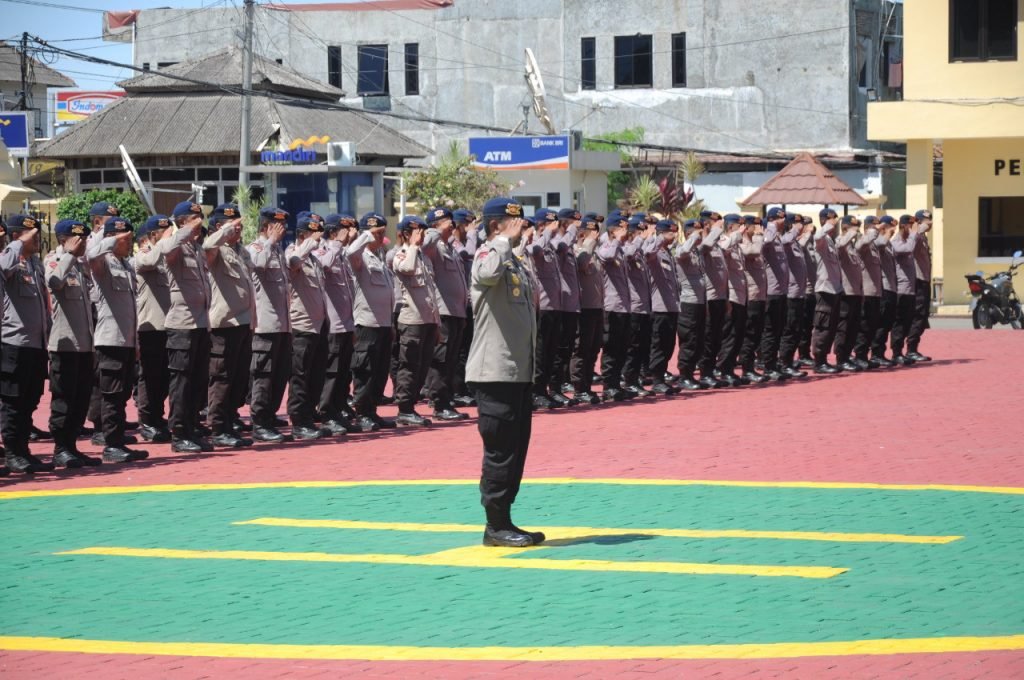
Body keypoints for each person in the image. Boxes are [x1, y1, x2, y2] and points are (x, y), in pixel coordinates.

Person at [466, 197, 543, 548]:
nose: (519, 228)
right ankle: (494, 525)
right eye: (512, 222)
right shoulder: (487, 255)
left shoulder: (516, 262)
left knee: (516, 448)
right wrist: (500, 241)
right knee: (500, 449)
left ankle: (505, 519)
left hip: (518, 371)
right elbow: (485, 273)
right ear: (496, 225)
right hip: (494, 372)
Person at [86, 216, 149, 463]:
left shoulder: (125, 265)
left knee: (121, 395)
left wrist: (135, 343)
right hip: (109, 340)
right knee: (111, 396)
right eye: (125, 240)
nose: (128, 244)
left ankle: (118, 440)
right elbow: (91, 256)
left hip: (125, 341)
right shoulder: (104, 264)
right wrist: (110, 239)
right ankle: (110, 444)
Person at [45, 219, 101, 469]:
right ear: (63, 240)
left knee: (80, 399)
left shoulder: (79, 266)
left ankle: (72, 446)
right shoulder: (55, 260)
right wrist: (68, 254)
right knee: (64, 399)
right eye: (77, 240)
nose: (82, 244)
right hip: (64, 345)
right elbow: (54, 282)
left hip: (84, 345)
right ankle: (60, 449)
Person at [1, 215, 55, 473]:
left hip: (36, 343)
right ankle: (12, 452)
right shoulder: (8, 259)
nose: (38, 240)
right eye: (32, 236)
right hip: (14, 343)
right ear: (16, 236)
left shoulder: (34, 263)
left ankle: (23, 449)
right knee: (13, 401)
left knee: (30, 400)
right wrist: (16, 246)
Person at [203, 204, 255, 448]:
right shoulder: (217, 250)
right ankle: (217, 426)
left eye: (239, 226)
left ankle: (229, 421)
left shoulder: (241, 251)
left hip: (244, 323)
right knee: (222, 378)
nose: (238, 230)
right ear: (218, 227)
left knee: (238, 378)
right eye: (232, 226)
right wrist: (224, 232)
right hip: (224, 323)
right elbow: (207, 247)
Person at [164, 201, 213, 453]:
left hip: (201, 324)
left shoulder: (196, 249)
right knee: (181, 383)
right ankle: (180, 433)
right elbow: (165, 248)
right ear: (183, 221)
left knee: (197, 381)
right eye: (194, 218)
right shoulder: (177, 246)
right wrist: (181, 229)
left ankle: (192, 427)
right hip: (181, 325)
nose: (199, 223)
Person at [347, 212, 397, 432]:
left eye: (382, 233)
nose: (380, 238)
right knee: (365, 370)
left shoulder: (379, 257)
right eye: (378, 233)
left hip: (384, 323)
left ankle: (372, 410)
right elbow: (350, 252)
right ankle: (362, 413)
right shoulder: (361, 257)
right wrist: (367, 234)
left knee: (379, 370)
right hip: (367, 322)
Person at [248, 206, 294, 443]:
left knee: (279, 375)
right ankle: (259, 422)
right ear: (266, 227)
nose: (283, 231)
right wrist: (270, 241)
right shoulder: (256, 248)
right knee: (264, 377)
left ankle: (270, 417)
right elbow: (257, 264)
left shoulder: (277, 251)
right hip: (265, 326)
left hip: (283, 325)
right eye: (278, 227)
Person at [392, 215, 441, 427]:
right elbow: (407, 269)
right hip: (412, 320)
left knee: (422, 367)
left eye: (422, 231)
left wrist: (437, 322)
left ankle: (411, 406)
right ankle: (404, 409)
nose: (421, 235)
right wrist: (411, 246)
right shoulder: (400, 255)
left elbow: (431, 292)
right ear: (405, 234)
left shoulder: (424, 257)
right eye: (416, 231)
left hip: (428, 320)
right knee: (409, 366)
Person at [421, 207, 470, 421]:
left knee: (451, 360)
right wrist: (436, 230)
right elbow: (423, 245)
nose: (450, 224)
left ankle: (446, 399)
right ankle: (439, 402)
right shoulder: (435, 245)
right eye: (444, 221)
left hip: (457, 311)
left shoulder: (450, 247)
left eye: (451, 221)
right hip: (444, 312)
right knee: (441, 360)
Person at [286, 212, 331, 440]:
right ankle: (298, 421)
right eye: (313, 235)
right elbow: (292, 264)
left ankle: (309, 417)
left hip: (319, 324)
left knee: (316, 375)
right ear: (302, 235)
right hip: (301, 325)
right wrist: (310, 243)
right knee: (300, 376)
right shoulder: (293, 253)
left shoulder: (314, 259)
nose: (318, 239)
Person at [315, 214, 358, 433]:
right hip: (332, 324)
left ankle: (338, 408)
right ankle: (325, 412)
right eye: (345, 230)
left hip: (346, 322)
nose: (351, 233)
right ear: (333, 232)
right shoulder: (323, 249)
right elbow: (323, 265)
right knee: (331, 372)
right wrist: (337, 243)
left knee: (343, 372)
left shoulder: (342, 254)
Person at [134, 215, 173, 443]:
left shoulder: (165, 259)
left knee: (164, 377)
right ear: (152, 236)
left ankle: (158, 419)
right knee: (149, 377)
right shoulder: (143, 255)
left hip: (167, 326)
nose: (168, 236)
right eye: (162, 232)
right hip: (149, 327)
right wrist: (164, 244)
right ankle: (147, 421)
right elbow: (148, 262)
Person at [527, 208, 565, 409]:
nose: (555, 228)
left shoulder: (550, 246)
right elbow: (534, 252)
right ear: (541, 225)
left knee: (551, 352)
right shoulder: (535, 243)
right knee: (540, 352)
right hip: (543, 306)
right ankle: (536, 392)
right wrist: (545, 234)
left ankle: (545, 390)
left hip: (555, 306)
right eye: (551, 224)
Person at [597, 210, 633, 401]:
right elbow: (606, 256)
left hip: (624, 306)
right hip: (612, 307)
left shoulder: (620, 248)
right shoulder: (606, 246)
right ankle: (608, 385)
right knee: (611, 348)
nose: (626, 230)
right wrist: (616, 239)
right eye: (623, 227)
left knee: (622, 348)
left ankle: (616, 384)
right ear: (614, 230)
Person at [568, 215, 603, 404]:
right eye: (591, 231)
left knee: (593, 349)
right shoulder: (577, 250)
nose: (595, 235)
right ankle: (578, 388)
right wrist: (588, 242)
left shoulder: (594, 251)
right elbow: (581, 265)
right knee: (581, 349)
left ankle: (587, 386)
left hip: (597, 306)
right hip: (583, 307)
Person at [645, 218, 681, 394]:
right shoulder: (656, 251)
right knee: (659, 344)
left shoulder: (668, 253)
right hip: (659, 306)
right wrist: (658, 238)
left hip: (672, 305)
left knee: (668, 345)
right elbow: (647, 253)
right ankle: (657, 379)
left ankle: (661, 376)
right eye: (670, 232)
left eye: (674, 232)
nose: (673, 236)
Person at [622, 214, 655, 397]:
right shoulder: (628, 248)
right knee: (632, 347)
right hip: (633, 306)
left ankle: (635, 379)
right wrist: (639, 241)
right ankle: (629, 381)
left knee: (641, 346)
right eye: (641, 231)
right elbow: (627, 254)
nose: (645, 234)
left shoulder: (639, 251)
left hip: (643, 306)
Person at [552, 208, 583, 402]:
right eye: (573, 223)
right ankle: (556, 384)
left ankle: (562, 381)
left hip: (572, 304)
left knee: (568, 347)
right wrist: (571, 232)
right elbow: (558, 247)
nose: (578, 227)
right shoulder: (557, 242)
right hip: (560, 304)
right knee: (558, 348)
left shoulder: (570, 245)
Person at [759, 207, 793, 381]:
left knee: (779, 329)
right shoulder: (769, 234)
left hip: (781, 290)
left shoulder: (778, 238)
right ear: (772, 219)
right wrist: (771, 226)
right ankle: (767, 365)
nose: (783, 222)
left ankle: (774, 364)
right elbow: (764, 243)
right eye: (780, 219)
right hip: (771, 291)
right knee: (770, 330)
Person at [674, 219, 707, 391]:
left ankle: (691, 374)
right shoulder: (682, 248)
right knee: (689, 339)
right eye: (697, 232)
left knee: (699, 340)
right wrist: (694, 236)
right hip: (688, 302)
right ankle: (684, 375)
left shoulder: (697, 251)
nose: (701, 234)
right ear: (689, 234)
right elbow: (682, 252)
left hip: (700, 301)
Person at [716, 214, 748, 386]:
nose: (742, 228)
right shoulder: (723, 240)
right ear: (731, 227)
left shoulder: (737, 244)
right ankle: (724, 369)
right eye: (739, 225)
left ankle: (729, 368)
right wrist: (737, 235)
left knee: (738, 334)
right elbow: (723, 248)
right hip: (731, 295)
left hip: (741, 294)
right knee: (729, 335)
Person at [811, 209, 844, 374]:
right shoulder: (822, 239)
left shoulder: (831, 240)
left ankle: (823, 359)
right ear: (825, 220)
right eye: (833, 219)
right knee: (823, 327)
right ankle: (818, 361)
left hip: (835, 289)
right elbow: (817, 237)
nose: (836, 221)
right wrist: (826, 226)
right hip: (825, 289)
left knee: (831, 327)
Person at [698, 211, 728, 389]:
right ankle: (704, 373)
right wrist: (715, 231)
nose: (720, 225)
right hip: (708, 298)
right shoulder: (703, 242)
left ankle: (711, 370)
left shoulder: (716, 244)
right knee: (707, 338)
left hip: (720, 296)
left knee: (717, 337)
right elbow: (704, 247)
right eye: (716, 222)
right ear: (707, 225)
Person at [778, 215, 811, 378]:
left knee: (797, 329)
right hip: (791, 293)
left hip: (799, 293)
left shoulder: (795, 242)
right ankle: (784, 363)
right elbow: (784, 241)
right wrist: (794, 230)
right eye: (799, 224)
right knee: (789, 329)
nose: (802, 226)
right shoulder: (786, 240)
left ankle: (789, 360)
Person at [739, 216, 769, 384]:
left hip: (759, 295)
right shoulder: (743, 243)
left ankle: (751, 366)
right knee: (749, 334)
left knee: (757, 333)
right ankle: (746, 368)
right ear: (747, 227)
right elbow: (753, 252)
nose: (759, 229)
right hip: (750, 296)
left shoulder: (755, 242)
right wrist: (758, 237)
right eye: (756, 226)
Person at [834, 215, 866, 372]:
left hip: (856, 291)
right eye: (854, 226)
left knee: (854, 326)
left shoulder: (852, 246)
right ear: (845, 227)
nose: (857, 229)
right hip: (846, 292)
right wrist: (850, 235)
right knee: (844, 327)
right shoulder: (840, 242)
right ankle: (841, 358)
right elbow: (839, 246)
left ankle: (847, 355)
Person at [854, 215, 884, 369]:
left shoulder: (874, 246)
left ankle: (865, 355)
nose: (878, 229)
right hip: (866, 292)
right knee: (864, 326)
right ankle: (859, 355)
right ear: (867, 228)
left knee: (872, 325)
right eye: (875, 226)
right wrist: (871, 233)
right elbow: (859, 246)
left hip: (876, 291)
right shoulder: (864, 242)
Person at [889, 215, 919, 366]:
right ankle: (896, 353)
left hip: (910, 289)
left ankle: (901, 352)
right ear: (903, 226)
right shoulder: (896, 242)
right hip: (901, 289)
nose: (913, 228)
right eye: (910, 225)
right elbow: (908, 249)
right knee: (899, 323)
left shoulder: (908, 240)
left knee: (907, 322)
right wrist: (914, 234)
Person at [872, 216, 899, 366]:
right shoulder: (878, 241)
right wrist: (886, 233)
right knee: (881, 322)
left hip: (891, 287)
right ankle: (876, 353)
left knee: (887, 323)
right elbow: (879, 243)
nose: (893, 230)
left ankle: (880, 352)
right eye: (890, 227)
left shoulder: (888, 244)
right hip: (883, 287)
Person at [907, 209, 933, 362]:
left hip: (925, 280)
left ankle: (913, 348)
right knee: (917, 315)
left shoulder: (923, 237)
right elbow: (910, 247)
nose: (929, 223)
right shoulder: (914, 236)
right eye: (924, 220)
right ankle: (911, 349)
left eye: (930, 220)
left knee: (923, 316)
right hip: (917, 280)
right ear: (917, 222)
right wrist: (918, 230)